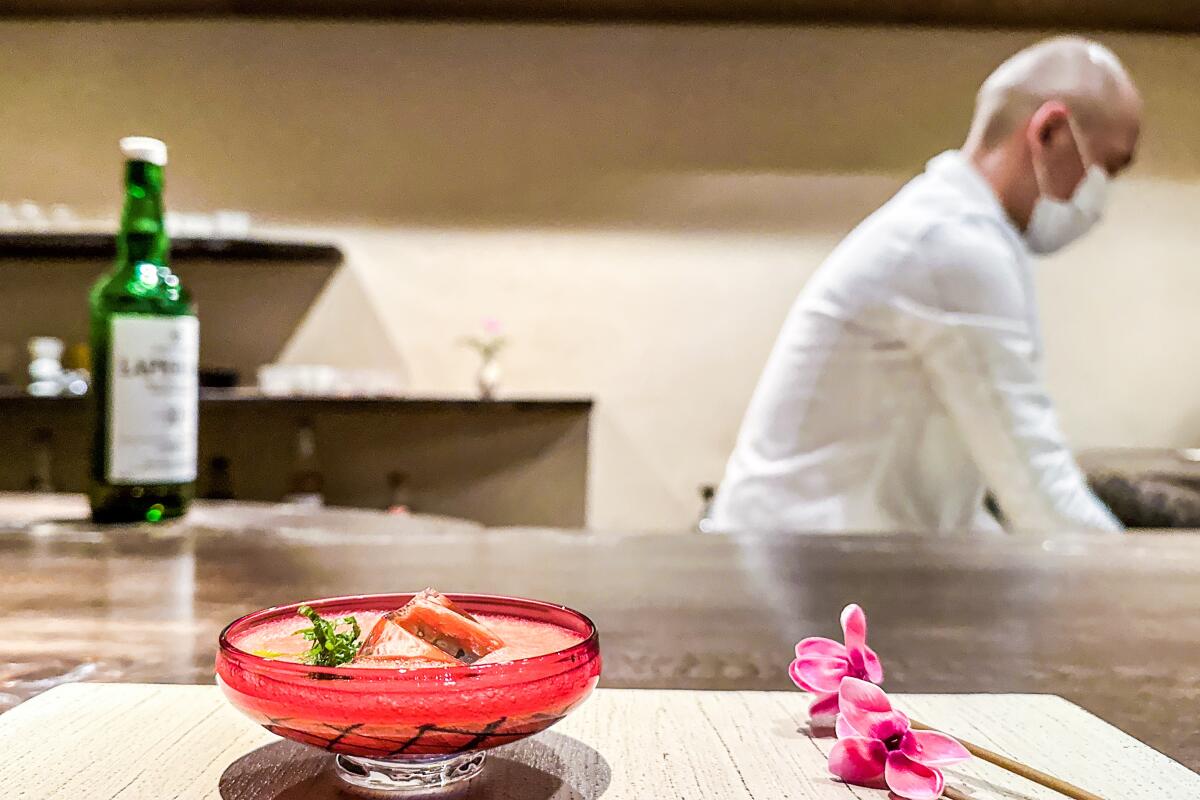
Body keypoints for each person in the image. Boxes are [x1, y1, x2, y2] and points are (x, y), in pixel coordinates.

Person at [711, 37, 1141, 534]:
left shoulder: (959, 232)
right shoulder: (954, 247)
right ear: (1049, 131)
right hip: (802, 568)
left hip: (824, 559)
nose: (1102, 198)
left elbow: (956, 503)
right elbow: (1040, 497)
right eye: (1108, 168)